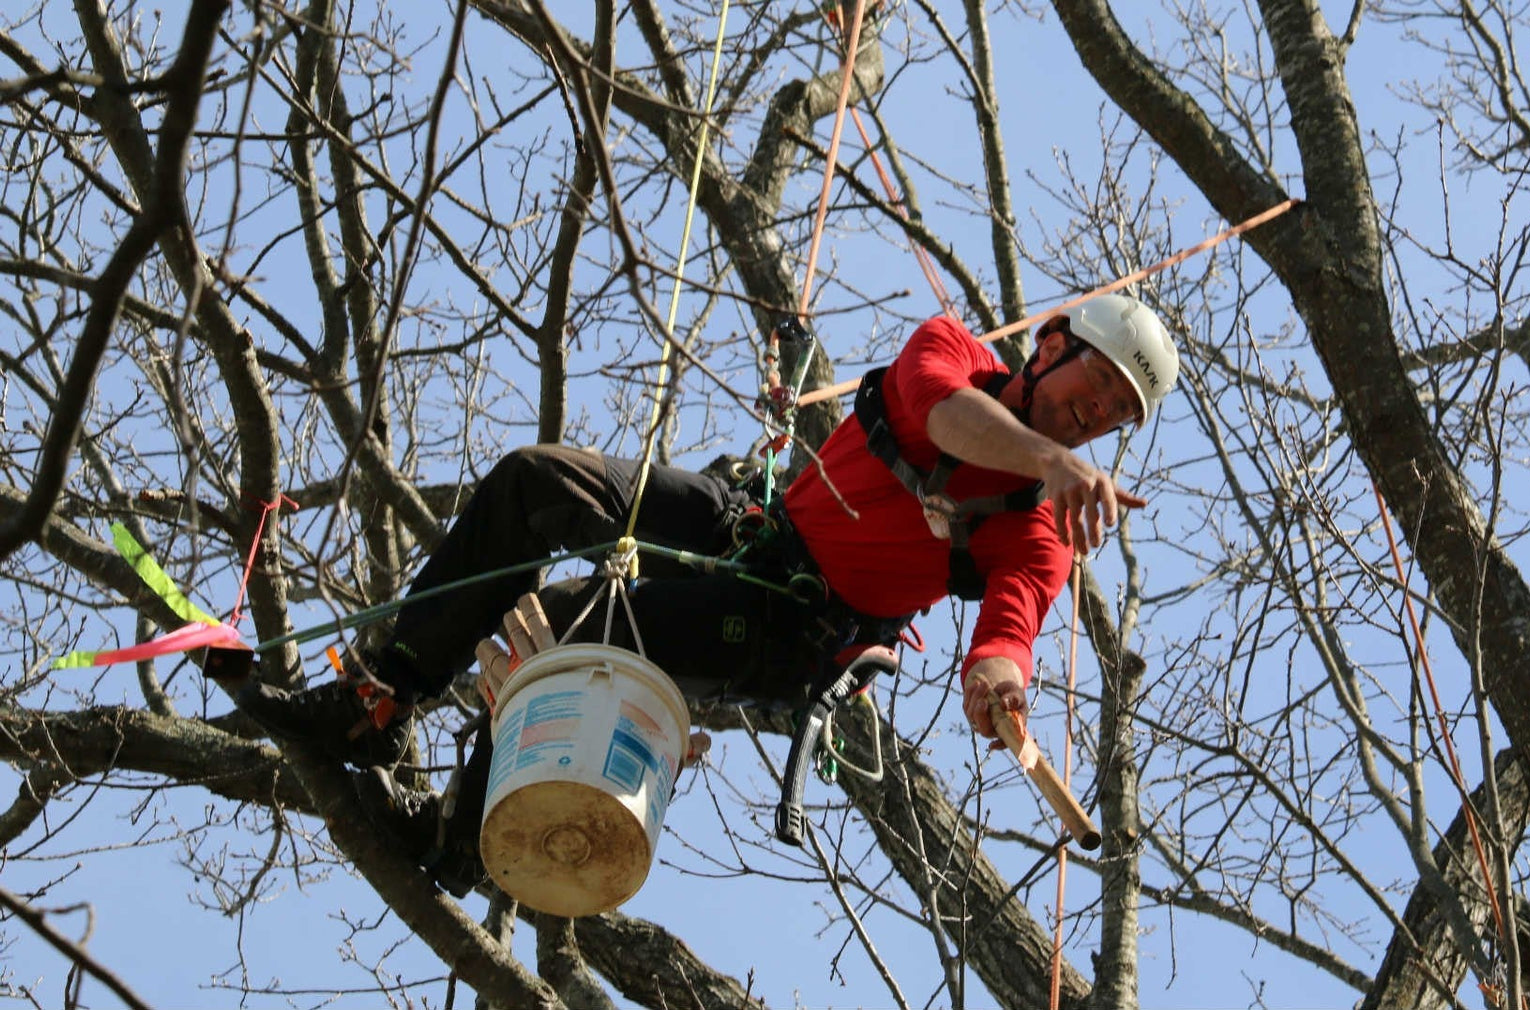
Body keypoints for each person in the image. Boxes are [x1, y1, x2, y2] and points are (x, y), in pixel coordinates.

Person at [213, 292, 1179, 891]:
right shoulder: (956, 355)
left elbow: (1014, 619)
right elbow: (941, 415)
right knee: (534, 483)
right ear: (1049, 343)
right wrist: (1050, 454)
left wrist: (1000, 685)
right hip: (751, 522)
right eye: (1092, 388)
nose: (1091, 418)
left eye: (1108, 421)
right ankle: (381, 696)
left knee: (557, 635)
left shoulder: (1038, 527)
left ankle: (458, 844)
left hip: (789, 623)